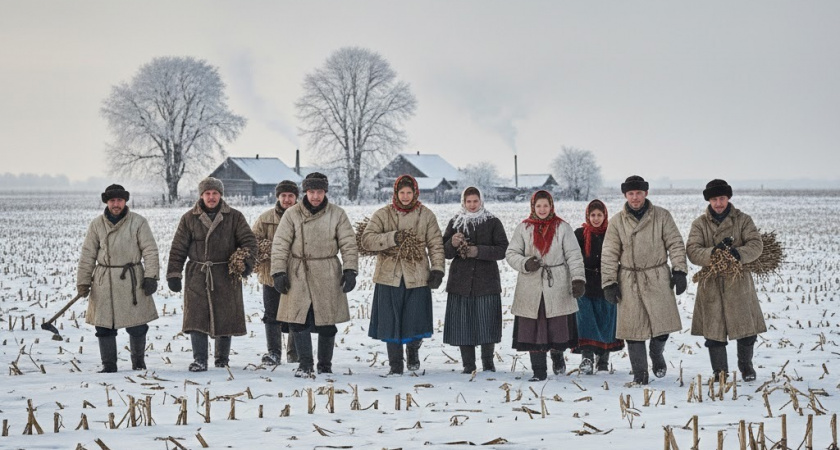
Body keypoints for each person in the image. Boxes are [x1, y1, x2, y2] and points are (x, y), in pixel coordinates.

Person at [270, 172, 358, 378]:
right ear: (305, 192)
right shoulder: (292, 214)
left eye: (319, 192)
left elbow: (348, 243)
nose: (315, 196)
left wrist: (350, 270)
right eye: (311, 192)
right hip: (298, 271)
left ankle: (325, 365)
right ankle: (305, 364)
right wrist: (278, 272)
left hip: (326, 270)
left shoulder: (337, 214)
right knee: (297, 319)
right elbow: (280, 244)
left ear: (325, 192)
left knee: (327, 320)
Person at [601, 175, 687, 385]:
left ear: (646, 193)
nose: (635, 197)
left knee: (662, 325)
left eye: (639, 193)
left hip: (657, 276)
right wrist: (609, 282)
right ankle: (640, 375)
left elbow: (675, 243)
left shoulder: (661, 216)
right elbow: (609, 253)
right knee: (633, 330)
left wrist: (679, 270)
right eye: (631, 193)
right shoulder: (617, 222)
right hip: (629, 279)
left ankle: (657, 354)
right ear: (625, 195)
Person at [167, 177, 257, 372]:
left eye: (215, 193)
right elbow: (178, 248)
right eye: (207, 193)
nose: (211, 197)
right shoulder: (189, 218)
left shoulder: (234, 217)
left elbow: (249, 241)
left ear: (220, 195)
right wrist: (174, 274)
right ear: (201, 195)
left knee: (225, 314)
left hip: (225, 273)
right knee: (196, 317)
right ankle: (199, 359)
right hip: (198, 273)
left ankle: (222, 359)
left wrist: (244, 261)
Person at [362, 174, 445, 375]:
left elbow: (435, 244)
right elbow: (367, 240)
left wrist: (438, 269)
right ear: (396, 193)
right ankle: (395, 365)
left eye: (409, 193)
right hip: (388, 274)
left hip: (417, 274)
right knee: (391, 320)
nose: (406, 197)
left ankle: (413, 351)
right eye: (402, 193)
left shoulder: (426, 215)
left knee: (414, 318)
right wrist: (393, 238)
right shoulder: (383, 214)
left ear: (415, 193)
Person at [687, 179, 765, 382]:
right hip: (711, 284)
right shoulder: (699, 224)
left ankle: (746, 367)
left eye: (722, 198)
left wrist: (737, 254)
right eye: (714, 199)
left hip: (738, 283)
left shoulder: (743, 220)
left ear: (728, 198)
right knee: (714, 333)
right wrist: (714, 253)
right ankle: (719, 373)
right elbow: (692, 250)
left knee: (747, 330)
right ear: (709, 200)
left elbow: (757, 245)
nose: (718, 203)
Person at [77, 184, 160, 373]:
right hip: (104, 281)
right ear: (107, 202)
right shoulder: (96, 224)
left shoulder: (138, 222)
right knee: (104, 326)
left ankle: (138, 364)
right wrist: (83, 281)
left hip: (132, 280)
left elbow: (150, 250)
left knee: (138, 325)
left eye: (120, 200)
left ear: (125, 201)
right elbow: (88, 254)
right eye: (113, 200)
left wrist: (151, 276)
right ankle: (109, 366)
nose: (116, 204)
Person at [506, 190, 585, 381]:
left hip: (556, 282)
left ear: (551, 206)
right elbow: (511, 253)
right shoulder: (523, 228)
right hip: (531, 284)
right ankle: (538, 371)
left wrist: (578, 279)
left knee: (557, 328)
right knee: (533, 331)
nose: (542, 209)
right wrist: (525, 263)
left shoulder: (562, 228)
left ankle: (557, 355)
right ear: (533, 207)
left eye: (546, 206)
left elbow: (574, 255)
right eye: (538, 206)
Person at [442, 186, 509, 373]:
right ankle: (468, 365)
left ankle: (488, 364)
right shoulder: (455, 222)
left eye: (475, 201)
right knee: (464, 324)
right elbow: (444, 252)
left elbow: (503, 249)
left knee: (487, 323)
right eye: (468, 201)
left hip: (486, 282)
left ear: (482, 201)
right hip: (460, 282)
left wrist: (478, 251)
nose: (472, 205)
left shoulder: (492, 222)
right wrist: (452, 243)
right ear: (463, 202)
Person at [572, 200, 624, 374]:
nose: (596, 219)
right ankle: (586, 358)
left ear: (605, 216)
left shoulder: (612, 233)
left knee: (606, 322)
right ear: (588, 216)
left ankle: (603, 360)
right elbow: (572, 258)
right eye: (593, 215)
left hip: (607, 283)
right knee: (586, 321)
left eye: (599, 215)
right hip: (585, 285)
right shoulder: (579, 234)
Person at [252, 180, 299, 365]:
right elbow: (253, 242)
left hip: (297, 274)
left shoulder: (303, 216)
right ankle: (273, 353)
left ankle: (294, 353)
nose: (287, 199)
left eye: (291, 196)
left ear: (296, 197)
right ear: (277, 197)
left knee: (297, 313)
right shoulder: (265, 219)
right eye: (284, 196)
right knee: (272, 314)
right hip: (270, 275)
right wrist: (274, 248)